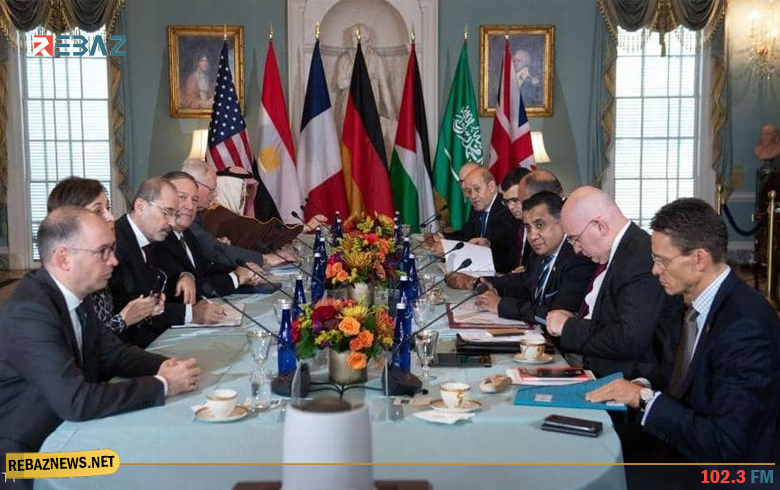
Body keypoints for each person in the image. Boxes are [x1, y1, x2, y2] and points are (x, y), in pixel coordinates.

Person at [0, 207, 200, 477]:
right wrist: (163, 384)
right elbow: (76, 401)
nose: (114, 261)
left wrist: (167, 366)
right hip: (24, 458)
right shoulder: (30, 312)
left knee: (160, 447)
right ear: (63, 259)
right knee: (130, 465)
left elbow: (113, 354)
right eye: (103, 252)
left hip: (67, 430)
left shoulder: (75, 295)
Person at [586, 198, 780, 465]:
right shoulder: (696, 303)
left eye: (662, 261)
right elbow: (679, 374)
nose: (655, 270)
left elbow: (727, 442)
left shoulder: (744, 326)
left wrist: (643, 399)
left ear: (699, 259)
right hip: (682, 444)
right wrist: (641, 385)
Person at [545, 186, 683, 378]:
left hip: (627, 380)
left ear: (599, 226)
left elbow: (629, 339)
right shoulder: (620, 252)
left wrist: (568, 326)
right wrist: (572, 319)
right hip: (598, 367)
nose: (576, 249)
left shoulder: (640, 257)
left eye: (575, 239)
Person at [110, 177, 225, 348]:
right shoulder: (117, 244)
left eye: (175, 214)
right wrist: (191, 313)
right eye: (167, 212)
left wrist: (185, 275)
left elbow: (169, 268)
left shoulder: (150, 238)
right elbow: (136, 309)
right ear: (141, 207)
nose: (172, 222)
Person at [47, 177, 160, 336]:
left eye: (108, 208)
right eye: (98, 211)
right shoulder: (45, 299)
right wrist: (123, 320)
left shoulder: (97, 267)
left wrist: (145, 310)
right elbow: (85, 343)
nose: (110, 217)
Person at [474, 191, 596, 323]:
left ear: (562, 223)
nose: (532, 236)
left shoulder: (579, 259)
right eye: (528, 228)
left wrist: (501, 305)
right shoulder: (540, 253)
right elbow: (526, 285)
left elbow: (556, 317)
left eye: (540, 225)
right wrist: (492, 285)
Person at [154, 171, 263, 299]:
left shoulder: (187, 234)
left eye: (195, 200)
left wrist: (244, 271)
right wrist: (236, 278)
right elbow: (184, 292)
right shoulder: (158, 239)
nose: (190, 206)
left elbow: (204, 272)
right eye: (182, 197)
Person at [181, 159, 297, 267]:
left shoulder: (197, 214)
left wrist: (218, 245)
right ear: (194, 185)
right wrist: (264, 259)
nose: (216, 194)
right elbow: (211, 250)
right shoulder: (187, 215)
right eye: (212, 189)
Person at [446, 167, 530, 288]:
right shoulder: (478, 208)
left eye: (515, 200)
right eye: (507, 202)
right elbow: (466, 234)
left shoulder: (508, 215)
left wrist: (475, 282)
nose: (511, 207)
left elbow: (507, 257)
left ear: (491, 186)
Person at [201, 167, 321, 251]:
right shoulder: (221, 215)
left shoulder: (221, 211)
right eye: (242, 188)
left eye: (247, 189)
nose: (246, 194)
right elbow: (261, 233)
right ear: (228, 188)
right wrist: (304, 228)